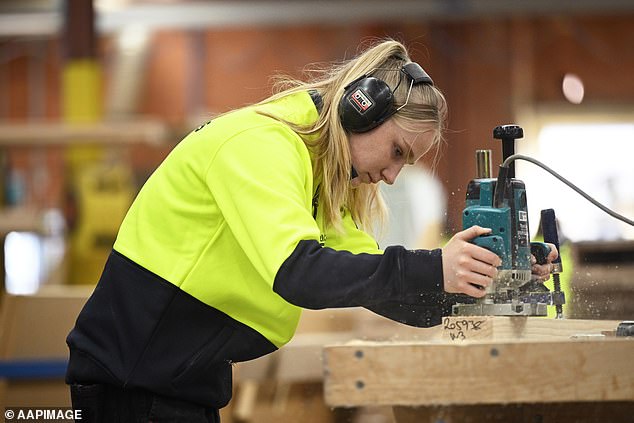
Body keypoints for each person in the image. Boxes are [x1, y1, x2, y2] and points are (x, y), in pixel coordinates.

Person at [65, 39, 557, 422]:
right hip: (129, 384)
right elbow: (299, 272)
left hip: (177, 383)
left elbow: (382, 289)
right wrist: (434, 264)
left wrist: (481, 286)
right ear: (361, 107)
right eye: (397, 152)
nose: (392, 175)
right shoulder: (260, 146)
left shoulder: (318, 181)